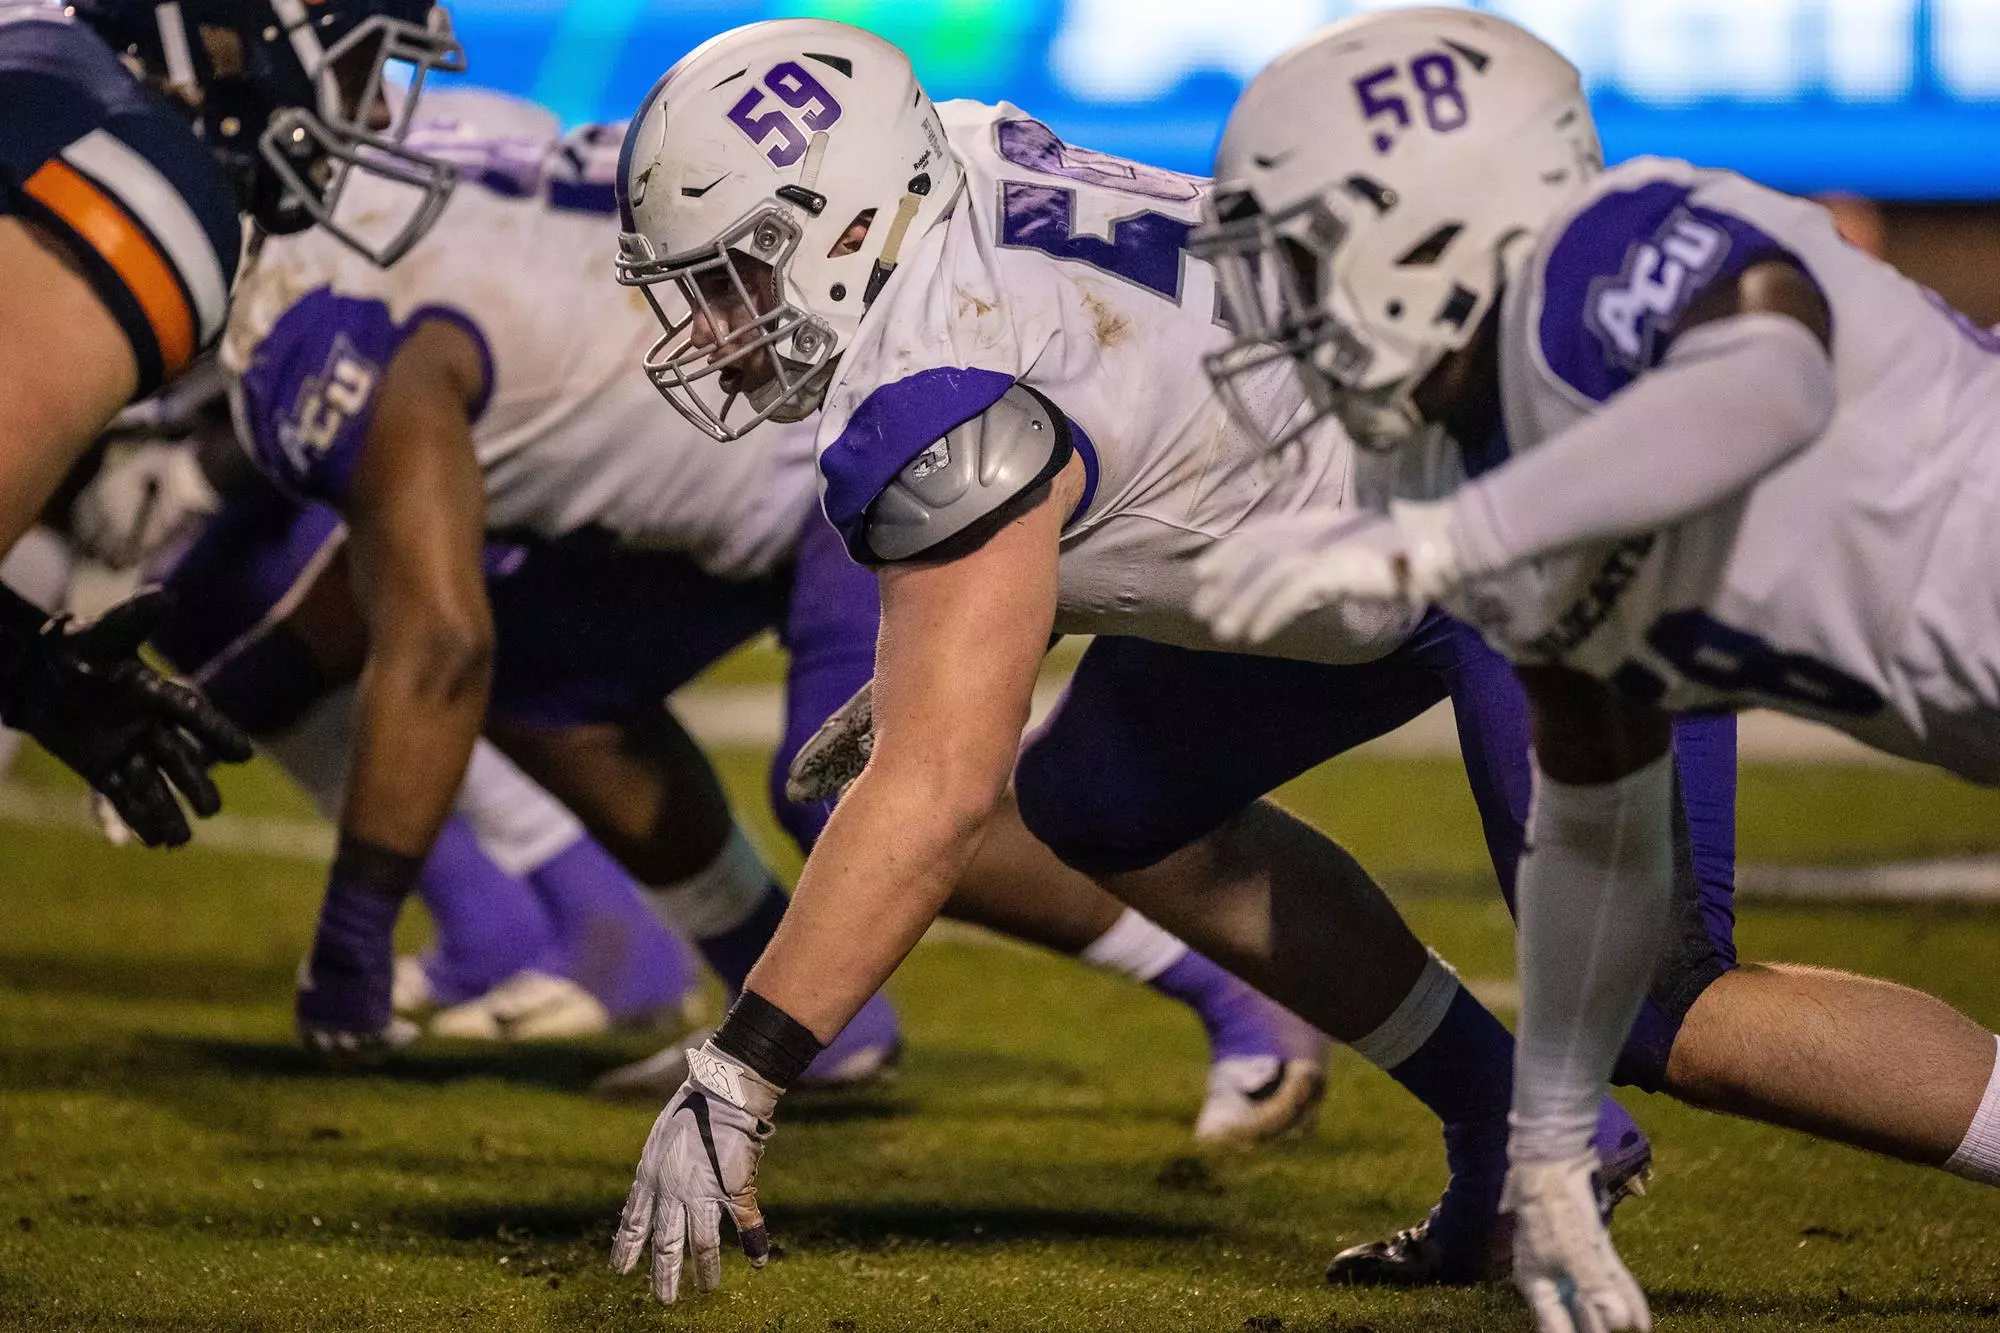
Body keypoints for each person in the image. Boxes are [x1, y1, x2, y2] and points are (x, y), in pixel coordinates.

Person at [602, 18, 1769, 1305]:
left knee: (1670, 1012)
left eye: (734, 277)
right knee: (1105, 795)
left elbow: (936, 791)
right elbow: (1127, 397)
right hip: (1358, 514)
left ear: (837, 227)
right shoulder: (956, 161)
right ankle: (1505, 1130)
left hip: (1532, 512)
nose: (718, 327)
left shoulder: (928, 381)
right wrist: (987, 616)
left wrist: (741, 1073)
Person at [205, 86, 1327, 1136]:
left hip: (841, 440)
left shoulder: (310, 318)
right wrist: (225, 700)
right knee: (550, 685)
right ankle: (811, 1019)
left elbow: (434, 630)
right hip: (723, 477)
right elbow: (395, 536)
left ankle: (1245, 996)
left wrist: (352, 937)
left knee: (875, 791)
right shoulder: (432, 141)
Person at [1184, 10, 2000, 1331]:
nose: (1282, 306)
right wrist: (1554, 1135)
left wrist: (1460, 537)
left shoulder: (1606, 246)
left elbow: (1767, 386)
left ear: (1433, 223)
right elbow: (1596, 819)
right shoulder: (1462, 464)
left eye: (1303, 254)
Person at [0, 0, 463, 840]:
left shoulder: (41, 71)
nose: (378, 114)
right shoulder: (139, 176)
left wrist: (26, 664)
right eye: (360, 67)